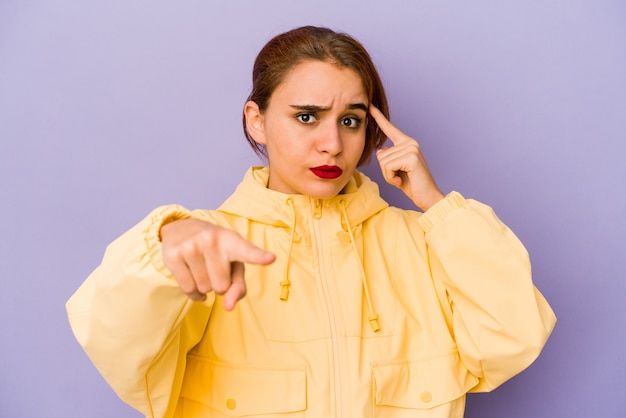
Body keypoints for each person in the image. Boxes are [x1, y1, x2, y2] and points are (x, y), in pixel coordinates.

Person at [66, 26, 556, 418]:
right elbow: (119, 350)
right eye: (306, 117)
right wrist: (166, 239)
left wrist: (436, 205)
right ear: (256, 120)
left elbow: (512, 339)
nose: (332, 144)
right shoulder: (210, 246)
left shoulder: (426, 244)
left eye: (351, 120)